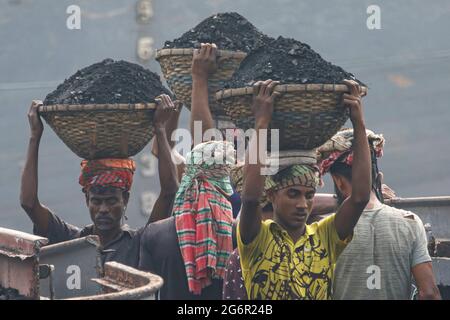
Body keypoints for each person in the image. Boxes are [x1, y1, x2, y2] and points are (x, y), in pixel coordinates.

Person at [237, 79, 372, 300]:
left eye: (309, 195)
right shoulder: (257, 238)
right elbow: (250, 199)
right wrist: (261, 122)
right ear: (271, 195)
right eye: (293, 194)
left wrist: (359, 124)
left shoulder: (324, 236)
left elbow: (359, 198)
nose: (303, 204)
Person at [20, 95, 179, 268]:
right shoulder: (72, 240)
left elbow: (169, 191)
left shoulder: (140, 243)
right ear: (87, 199)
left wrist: (160, 128)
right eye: (96, 201)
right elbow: (29, 204)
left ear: (125, 199)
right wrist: (35, 135)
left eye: (111, 201)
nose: (103, 209)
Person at [139, 43, 235, 300]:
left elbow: (170, 151)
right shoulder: (236, 192)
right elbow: (169, 152)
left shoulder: (240, 180)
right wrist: (184, 93)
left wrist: (195, 81)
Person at [318, 128, 441, 300]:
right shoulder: (410, 223)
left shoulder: (326, 229)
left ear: (338, 181)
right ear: (376, 174)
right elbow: (429, 293)